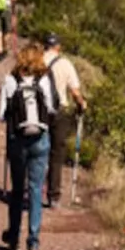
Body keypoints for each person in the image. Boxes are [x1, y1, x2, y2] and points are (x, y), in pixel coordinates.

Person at [0, 45, 57, 250]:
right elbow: (52, 109)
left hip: (18, 140)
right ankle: (33, 242)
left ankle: (13, 236)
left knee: (17, 190)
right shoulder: (43, 80)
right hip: (40, 140)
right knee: (35, 191)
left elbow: (1, 116)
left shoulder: (10, 80)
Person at [43, 33, 87, 207]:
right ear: (58, 46)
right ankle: (53, 195)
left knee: (36, 148)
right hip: (60, 112)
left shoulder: (36, 60)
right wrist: (82, 104)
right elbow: (75, 91)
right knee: (56, 153)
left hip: (38, 110)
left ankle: (31, 186)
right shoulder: (65, 63)